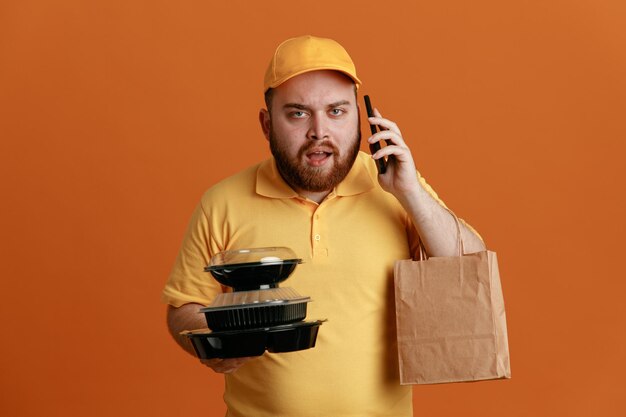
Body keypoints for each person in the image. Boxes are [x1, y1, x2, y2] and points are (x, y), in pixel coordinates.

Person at [163, 35, 485, 417]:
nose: (319, 131)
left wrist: (411, 193)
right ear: (267, 124)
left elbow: (469, 265)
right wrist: (216, 339)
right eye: (298, 113)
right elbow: (183, 307)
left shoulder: (396, 190)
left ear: (362, 119)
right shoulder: (222, 202)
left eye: (336, 111)